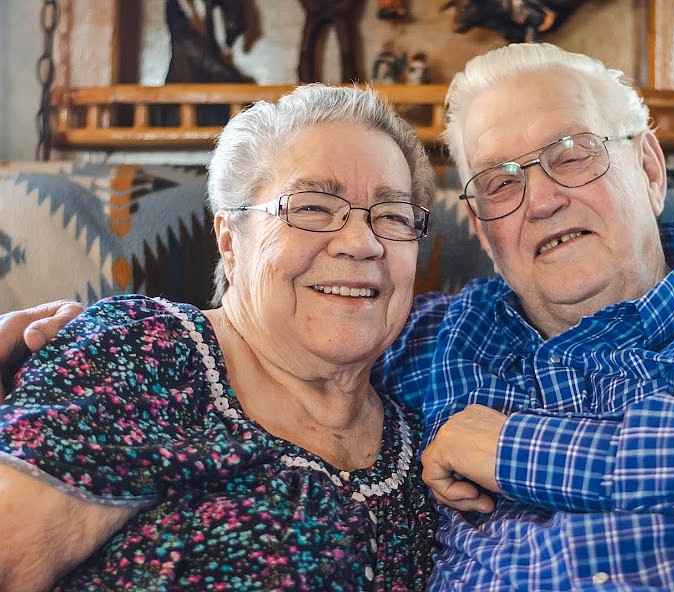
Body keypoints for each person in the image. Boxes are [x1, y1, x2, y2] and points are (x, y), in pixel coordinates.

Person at [5, 43, 674, 591]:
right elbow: (269, 339)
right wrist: (95, 340)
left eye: (571, 155)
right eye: (499, 182)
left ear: (650, 167)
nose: (538, 199)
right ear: (481, 227)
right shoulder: (427, 340)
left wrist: (519, 450)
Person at [0, 84, 437, 591]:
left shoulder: (423, 440)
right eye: (313, 207)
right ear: (230, 239)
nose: (363, 243)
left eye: (392, 216)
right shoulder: (145, 354)